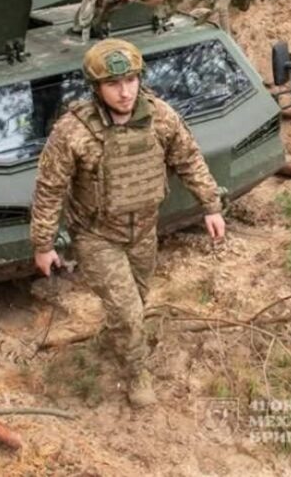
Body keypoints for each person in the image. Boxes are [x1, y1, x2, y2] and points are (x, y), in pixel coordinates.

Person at [30, 38, 226, 408]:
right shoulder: (73, 132)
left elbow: (189, 159)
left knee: (137, 299)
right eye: (114, 85)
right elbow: (49, 188)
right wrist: (43, 244)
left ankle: (114, 338)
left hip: (144, 230)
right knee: (129, 312)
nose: (125, 92)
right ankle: (137, 374)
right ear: (96, 88)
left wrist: (211, 206)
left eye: (132, 81)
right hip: (97, 235)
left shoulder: (161, 117)